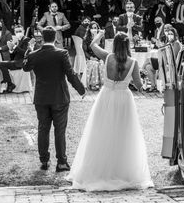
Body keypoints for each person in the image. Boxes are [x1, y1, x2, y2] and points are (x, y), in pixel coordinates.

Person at [66, 31, 153, 191]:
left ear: (115, 44)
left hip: (105, 97)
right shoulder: (132, 62)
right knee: (123, 135)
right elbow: (140, 86)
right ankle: (121, 172)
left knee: (101, 132)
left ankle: (100, 170)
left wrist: (99, 34)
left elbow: (92, 45)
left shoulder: (107, 57)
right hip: (124, 100)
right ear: (127, 46)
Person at [22, 26, 86, 171]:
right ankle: (62, 162)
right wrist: (81, 89)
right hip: (59, 97)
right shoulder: (62, 54)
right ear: (55, 37)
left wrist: (29, 49)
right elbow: (70, 74)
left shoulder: (34, 55)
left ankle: (44, 161)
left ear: (43, 38)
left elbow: (25, 67)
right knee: (60, 130)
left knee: (43, 129)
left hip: (41, 98)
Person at [0, 25, 31, 93]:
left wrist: (15, 47)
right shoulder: (17, 40)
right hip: (16, 61)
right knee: (2, 63)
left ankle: (9, 84)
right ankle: (8, 83)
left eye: (20, 31)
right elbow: (13, 55)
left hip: (21, 62)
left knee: (1, 64)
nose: (18, 33)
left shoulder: (26, 40)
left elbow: (25, 53)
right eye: (17, 31)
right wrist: (11, 49)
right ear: (14, 32)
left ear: (23, 31)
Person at [83, 21, 105, 91]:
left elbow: (102, 49)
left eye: (95, 28)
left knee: (101, 63)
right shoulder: (86, 38)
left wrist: (97, 37)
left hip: (99, 56)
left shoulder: (101, 38)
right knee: (94, 64)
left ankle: (102, 84)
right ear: (89, 29)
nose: (94, 29)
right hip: (91, 57)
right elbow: (85, 51)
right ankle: (94, 84)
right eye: (92, 28)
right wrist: (91, 58)